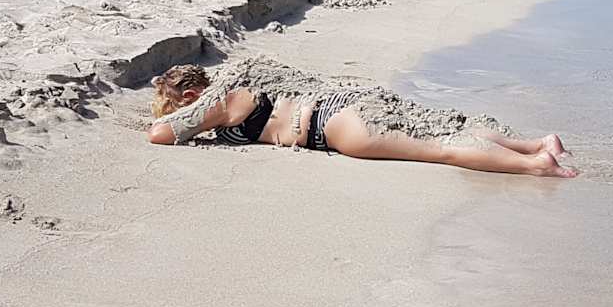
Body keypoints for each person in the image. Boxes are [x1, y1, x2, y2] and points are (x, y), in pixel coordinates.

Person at [145, 59, 576, 178]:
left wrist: (181, 119)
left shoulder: (219, 100)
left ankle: (535, 165)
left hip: (331, 126)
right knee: (442, 126)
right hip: (349, 100)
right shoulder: (246, 71)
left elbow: (161, 135)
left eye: (180, 106)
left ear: (192, 96)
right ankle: (536, 143)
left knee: (441, 149)